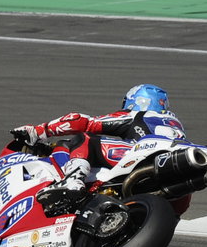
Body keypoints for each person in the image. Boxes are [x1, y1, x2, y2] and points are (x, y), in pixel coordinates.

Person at [9, 84, 181, 204]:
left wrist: (40, 131)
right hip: (170, 171)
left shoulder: (140, 114)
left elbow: (83, 122)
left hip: (142, 155)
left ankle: (73, 180)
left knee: (84, 138)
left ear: (136, 100)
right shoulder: (174, 123)